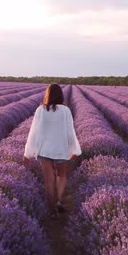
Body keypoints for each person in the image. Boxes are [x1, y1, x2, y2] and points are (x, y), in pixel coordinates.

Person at [23, 84, 81, 218]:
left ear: (47, 95)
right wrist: (74, 150)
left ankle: (51, 209)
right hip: (61, 149)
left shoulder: (40, 110)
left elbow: (33, 133)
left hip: (44, 150)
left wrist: (28, 153)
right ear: (60, 95)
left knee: (49, 180)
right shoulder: (65, 110)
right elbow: (70, 131)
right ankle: (60, 201)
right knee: (61, 175)